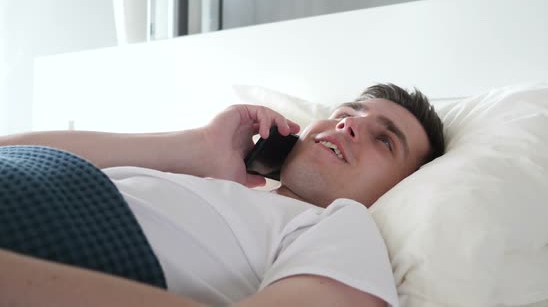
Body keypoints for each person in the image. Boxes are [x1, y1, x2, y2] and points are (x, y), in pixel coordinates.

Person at [0, 83, 444, 307]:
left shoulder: (340, 228)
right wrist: (194, 147)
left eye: (385, 140)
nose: (349, 125)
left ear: (399, 187)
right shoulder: (205, 181)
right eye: (347, 113)